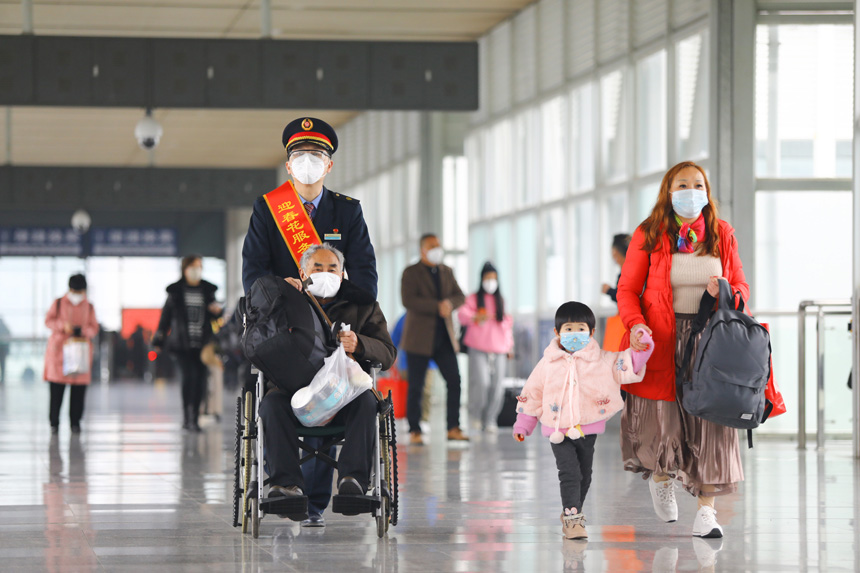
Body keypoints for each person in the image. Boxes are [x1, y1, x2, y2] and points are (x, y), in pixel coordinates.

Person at [616, 161, 750, 539]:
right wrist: (635, 324)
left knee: (712, 425)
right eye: (682, 184)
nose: (691, 191)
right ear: (668, 191)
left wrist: (724, 291)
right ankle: (662, 476)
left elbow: (741, 287)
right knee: (664, 422)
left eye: (698, 184)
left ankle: (707, 511)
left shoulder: (722, 234)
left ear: (707, 191)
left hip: (710, 343)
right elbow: (627, 290)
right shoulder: (650, 233)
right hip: (661, 339)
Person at [260, 243, 396, 524]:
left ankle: (353, 481)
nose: (325, 273)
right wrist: (275, 295)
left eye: (332, 268)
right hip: (294, 392)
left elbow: (388, 352)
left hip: (343, 395)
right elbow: (258, 337)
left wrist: (360, 344)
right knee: (271, 404)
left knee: (367, 401)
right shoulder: (285, 300)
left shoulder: (363, 305)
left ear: (343, 272)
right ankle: (286, 484)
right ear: (302, 272)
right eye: (317, 268)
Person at [512, 301, 653, 540]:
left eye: (581, 328)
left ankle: (573, 510)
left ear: (591, 332)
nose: (574, 334)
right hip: (557, 429)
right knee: (569, 473)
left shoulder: (602, 359)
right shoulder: (548, 362)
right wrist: (524, 424)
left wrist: (643, 347)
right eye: (568, 329)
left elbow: (626, 364)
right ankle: (572, 518)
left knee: (584, 474)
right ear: (557, 332)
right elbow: (533, 392)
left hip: (586, 429)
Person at [241, 116, 378, 297]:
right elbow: (253, 269)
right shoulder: (266, 209)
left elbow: (363, 270)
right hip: (282, 311)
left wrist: (360, 316)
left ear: (329, 165)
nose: (306, 160)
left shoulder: (347, 211)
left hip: (332, 312)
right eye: (298, 154)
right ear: (288, 166)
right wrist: (276, 289)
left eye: (316, 154)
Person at [400, 233, 468, 444]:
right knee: (416, 385)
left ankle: (453, 427)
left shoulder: (446, 271)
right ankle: (415, 429)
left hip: (444, 337)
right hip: (419, 337)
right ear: (422, 249)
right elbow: (408, 300)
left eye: (438, 245)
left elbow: (460, 295)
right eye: (432, 245)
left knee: (454, 380)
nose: (437, 248)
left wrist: (449, 303)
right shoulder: (411, 272)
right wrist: (436, 306)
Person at [153, 256, 223, 432]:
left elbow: (215, 316)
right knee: (188, 378)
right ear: (184, 269)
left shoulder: (207, 290)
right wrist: (159, 338)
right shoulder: (175, 291)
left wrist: (217, 312)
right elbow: (166, 316)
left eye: (199, 267)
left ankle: (194, 418)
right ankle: (187, 416)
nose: (196, 270)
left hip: (203, 345)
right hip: (181, 345)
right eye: (193, 267)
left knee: (200, 380)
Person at [458, 262, 514, 432]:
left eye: (494, 278)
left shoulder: (501, 300)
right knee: (481, 383)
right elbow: (462, 315)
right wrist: (475, 316)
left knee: (497, 386)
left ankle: (490, 419)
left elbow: (507, 326)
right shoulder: (473, 298)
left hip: (500, 348)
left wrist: (510, 347)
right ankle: (476, 416)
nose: (491, 281)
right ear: (481, 279)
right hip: (478, 347)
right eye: (488, 278)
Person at [43, 274, 100, 434]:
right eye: (75, 290)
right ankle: (54, 423)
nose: (78, 295)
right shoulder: (59, 303)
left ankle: (75, 423)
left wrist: (81, 330)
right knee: (56, 391)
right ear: (69, 289)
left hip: (80, 353)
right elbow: (48, 321)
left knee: (78, 392)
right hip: (59, 354)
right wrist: (63, 326)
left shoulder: (89, 306)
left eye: (80, 291)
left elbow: (94, 328)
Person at [601, 234, 632, 303]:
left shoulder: (629, 273)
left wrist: (610, 291)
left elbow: (627, 298)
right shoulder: (627, 271)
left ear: (615, 251)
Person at [0, 315, 10, 384]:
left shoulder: (4, 328)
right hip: (3, 350)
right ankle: (3, 379)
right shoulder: (5, 327)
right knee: (3, 365)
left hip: (2, 349)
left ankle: (3, 379)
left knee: (3, 365)